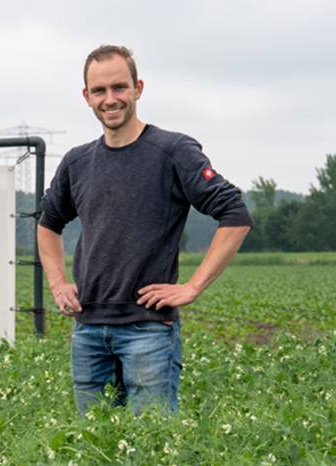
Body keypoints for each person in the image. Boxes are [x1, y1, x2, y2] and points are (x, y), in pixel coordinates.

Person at [37, 45, 252, 415]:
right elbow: (48, 224)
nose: (110, 99)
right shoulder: (77, 162)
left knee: (152, 442)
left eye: (119, 87)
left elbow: (235, 214)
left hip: (148, 332)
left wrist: (192, 287)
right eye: (99, 91)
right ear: (86, 97)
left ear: (137, 88)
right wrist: (57, 283)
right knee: (94, 442)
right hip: (87, 330)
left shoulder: (173, 150)